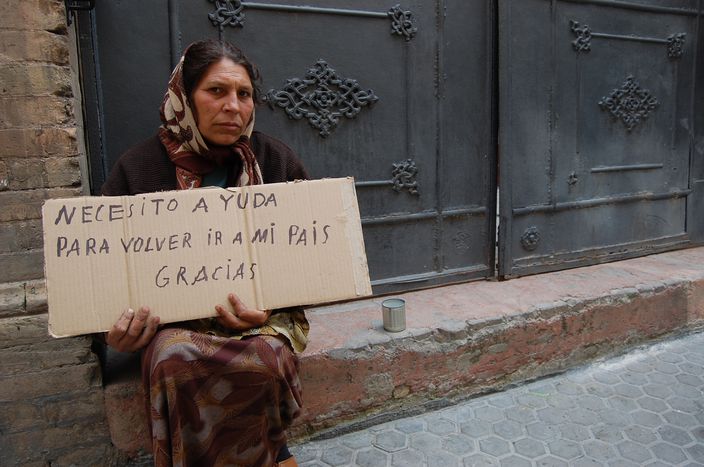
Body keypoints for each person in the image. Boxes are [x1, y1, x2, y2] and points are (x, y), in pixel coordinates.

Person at [100, 39, 309, 467]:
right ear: (184, 98)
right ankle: (270, 455)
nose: (233, 106)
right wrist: (113, 331)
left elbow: (310, 259)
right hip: (176, 326)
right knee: (175, 358)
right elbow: (102, 273)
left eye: (244, 94)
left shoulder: (275, 161)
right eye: (216, 91)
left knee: (266, 355)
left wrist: (268, 311)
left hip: (261, 321)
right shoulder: (137, 168)